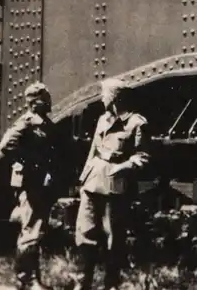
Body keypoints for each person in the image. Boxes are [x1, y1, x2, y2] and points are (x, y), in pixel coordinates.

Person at [0, 82, 56, 290]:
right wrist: (27, 162)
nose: (49, 101)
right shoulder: (27, 122)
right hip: (29, 182)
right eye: (45, 98)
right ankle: (26, 278)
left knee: (34, 228)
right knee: (30, 229)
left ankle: (30, 277)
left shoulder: (44, 124)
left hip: (39, 182)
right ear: (36, 102)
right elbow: (6, 145)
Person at [74, 78, 151, 290]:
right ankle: (83, 283)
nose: (102, 98)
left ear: (116, 97)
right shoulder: (103, 120)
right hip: (92, 182)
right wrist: (83, 180)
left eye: (105, 94)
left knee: (114, 238)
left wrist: (123, 167)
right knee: (85, 232)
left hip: (115, 185)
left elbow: (142, 157)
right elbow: (93, 150)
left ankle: (111, 284)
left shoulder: (136, 123)